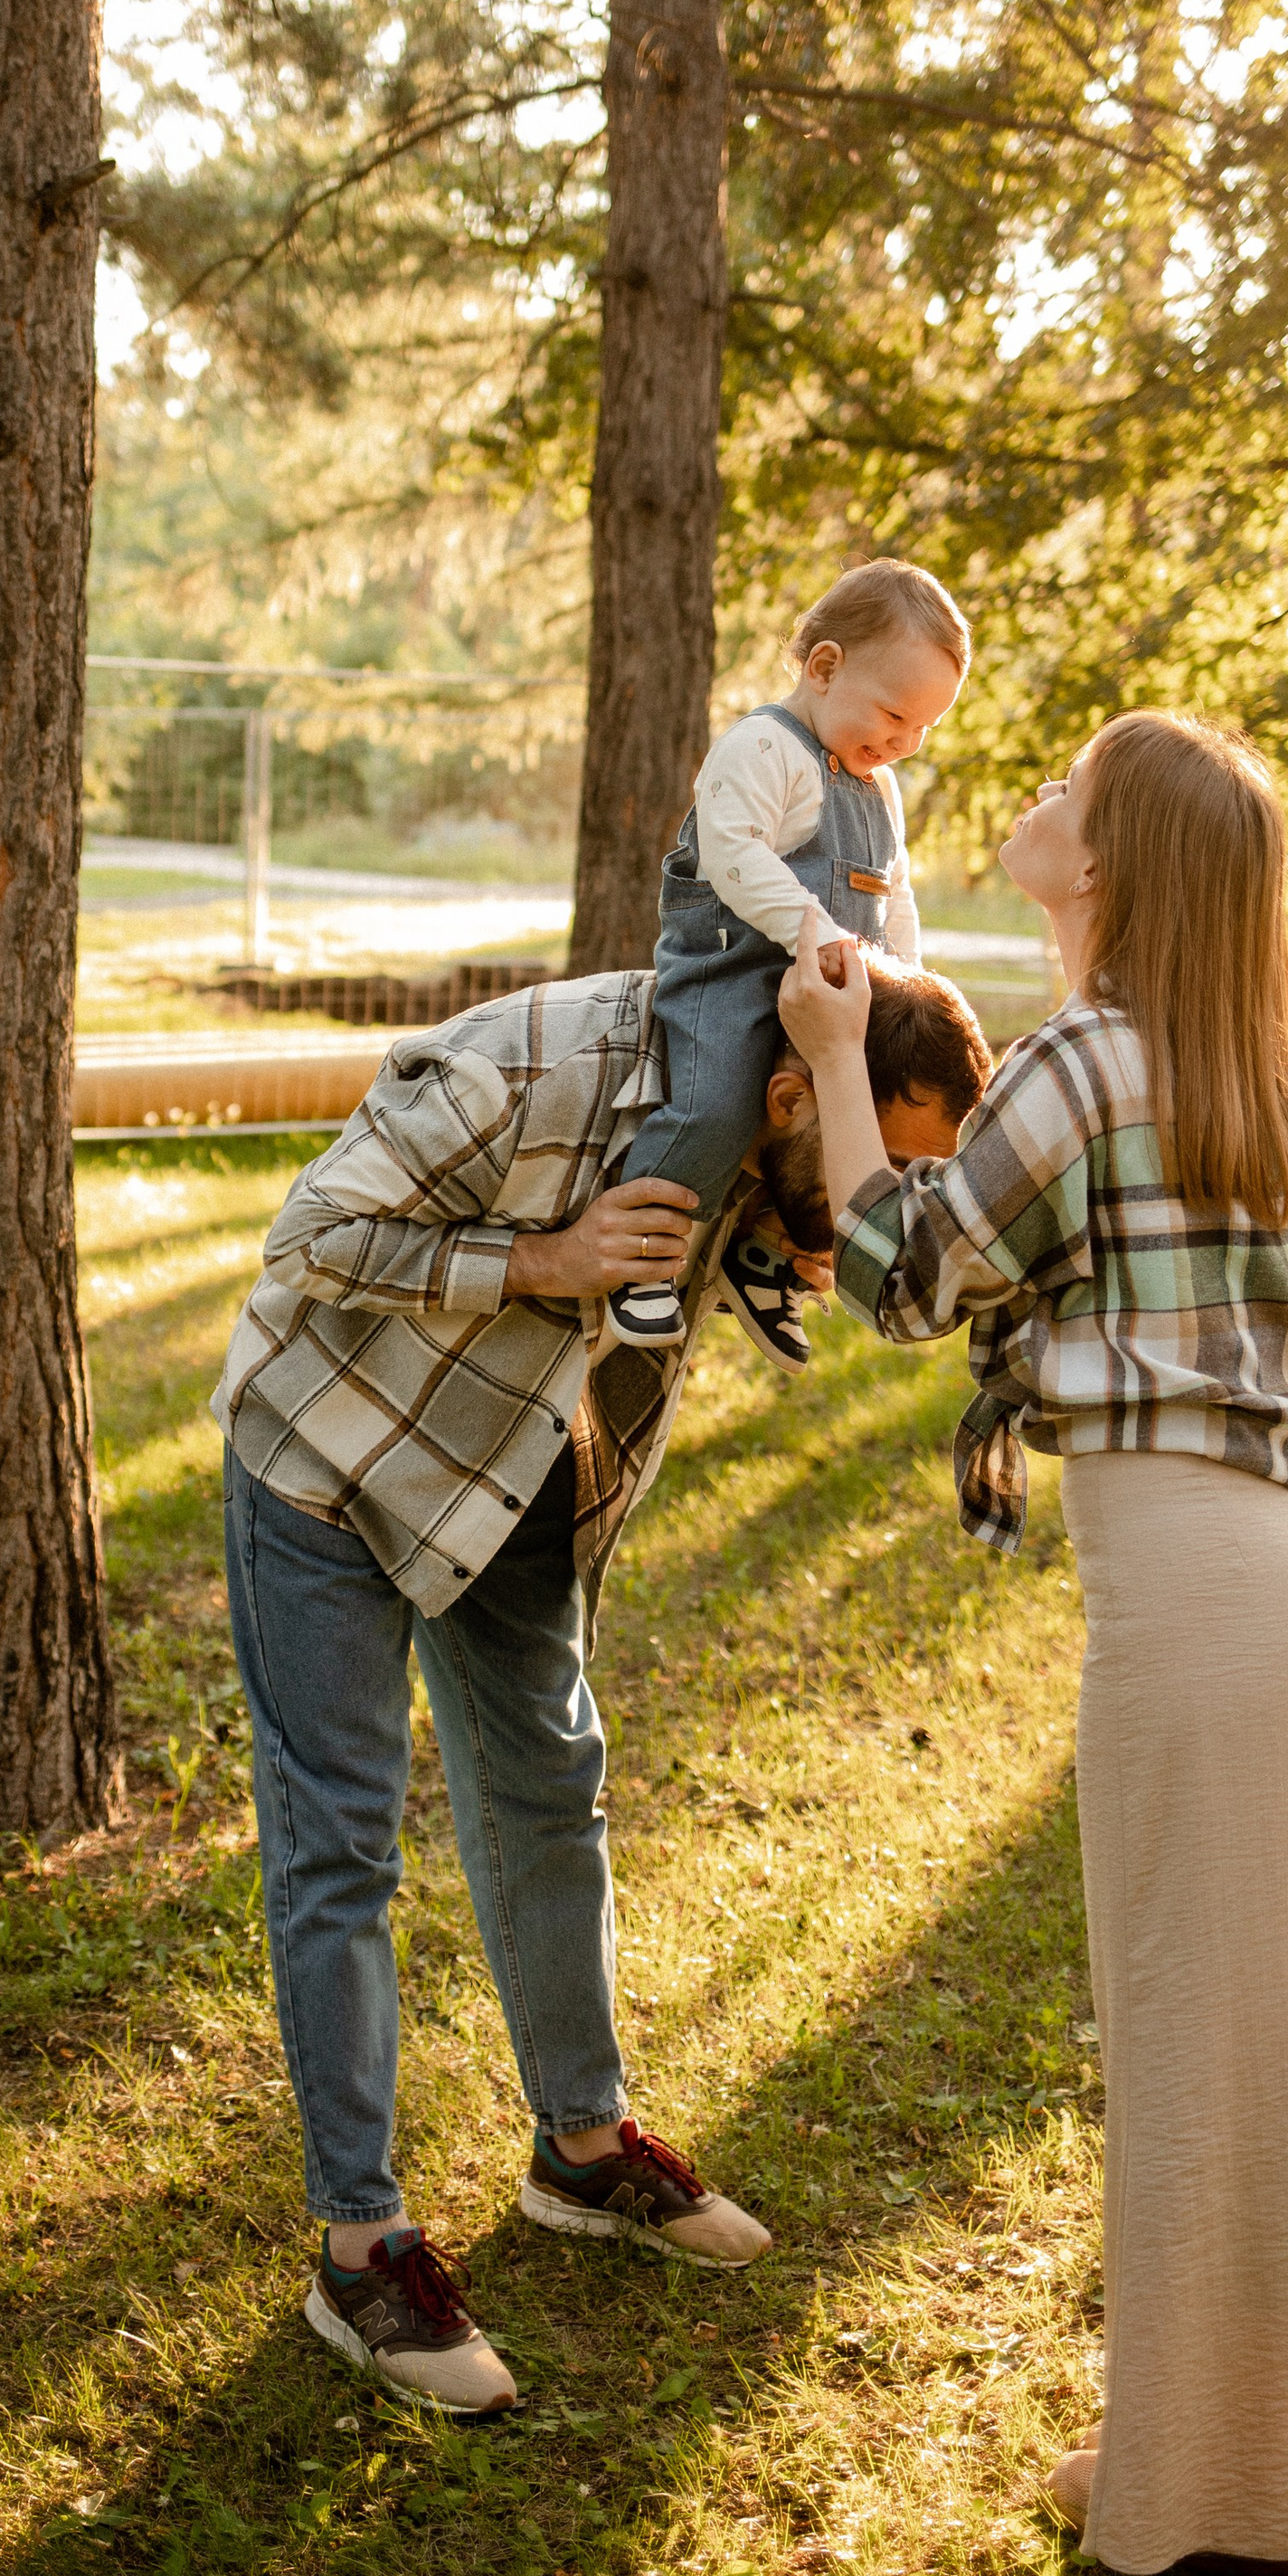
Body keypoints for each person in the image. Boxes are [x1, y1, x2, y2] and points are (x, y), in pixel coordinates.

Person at [777, 713, 1288, 2576]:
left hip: (1206, 1586)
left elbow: (898, 1273)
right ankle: (1272, 2416)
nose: (1030, 798)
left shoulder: (1083, 1056)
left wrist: (824, 1056)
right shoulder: (1232, 1056)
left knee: (1195, 2030)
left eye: (1065, 788)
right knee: (1286, 2017)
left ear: (1109, 863)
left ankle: (1228, 2490)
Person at [213, 959, 991, 2412]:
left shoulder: (765, 1123)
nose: (874, 1185)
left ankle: (579, 2150)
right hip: (328, 1457)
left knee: (551, 1788)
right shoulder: (538, 1063)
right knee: (342, 1844)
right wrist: (544, 1258)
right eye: (870, 1152)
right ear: (786, 1092)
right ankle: (360, 2247)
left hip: (511, 1476)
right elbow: (308, 1232)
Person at [604, 558, 970, 1375]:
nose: (904, 742)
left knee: (838, 1130)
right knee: (721, 1105)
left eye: (925, 730)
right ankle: (640, 1253)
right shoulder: (765, 747)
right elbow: (732, 858)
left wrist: (901, 975)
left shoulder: (879, 789)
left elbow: (895, 892)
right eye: (894, 714)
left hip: (835, 989)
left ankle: (766, 1253)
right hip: (735, 971)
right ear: (825, 666)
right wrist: (818, 931)